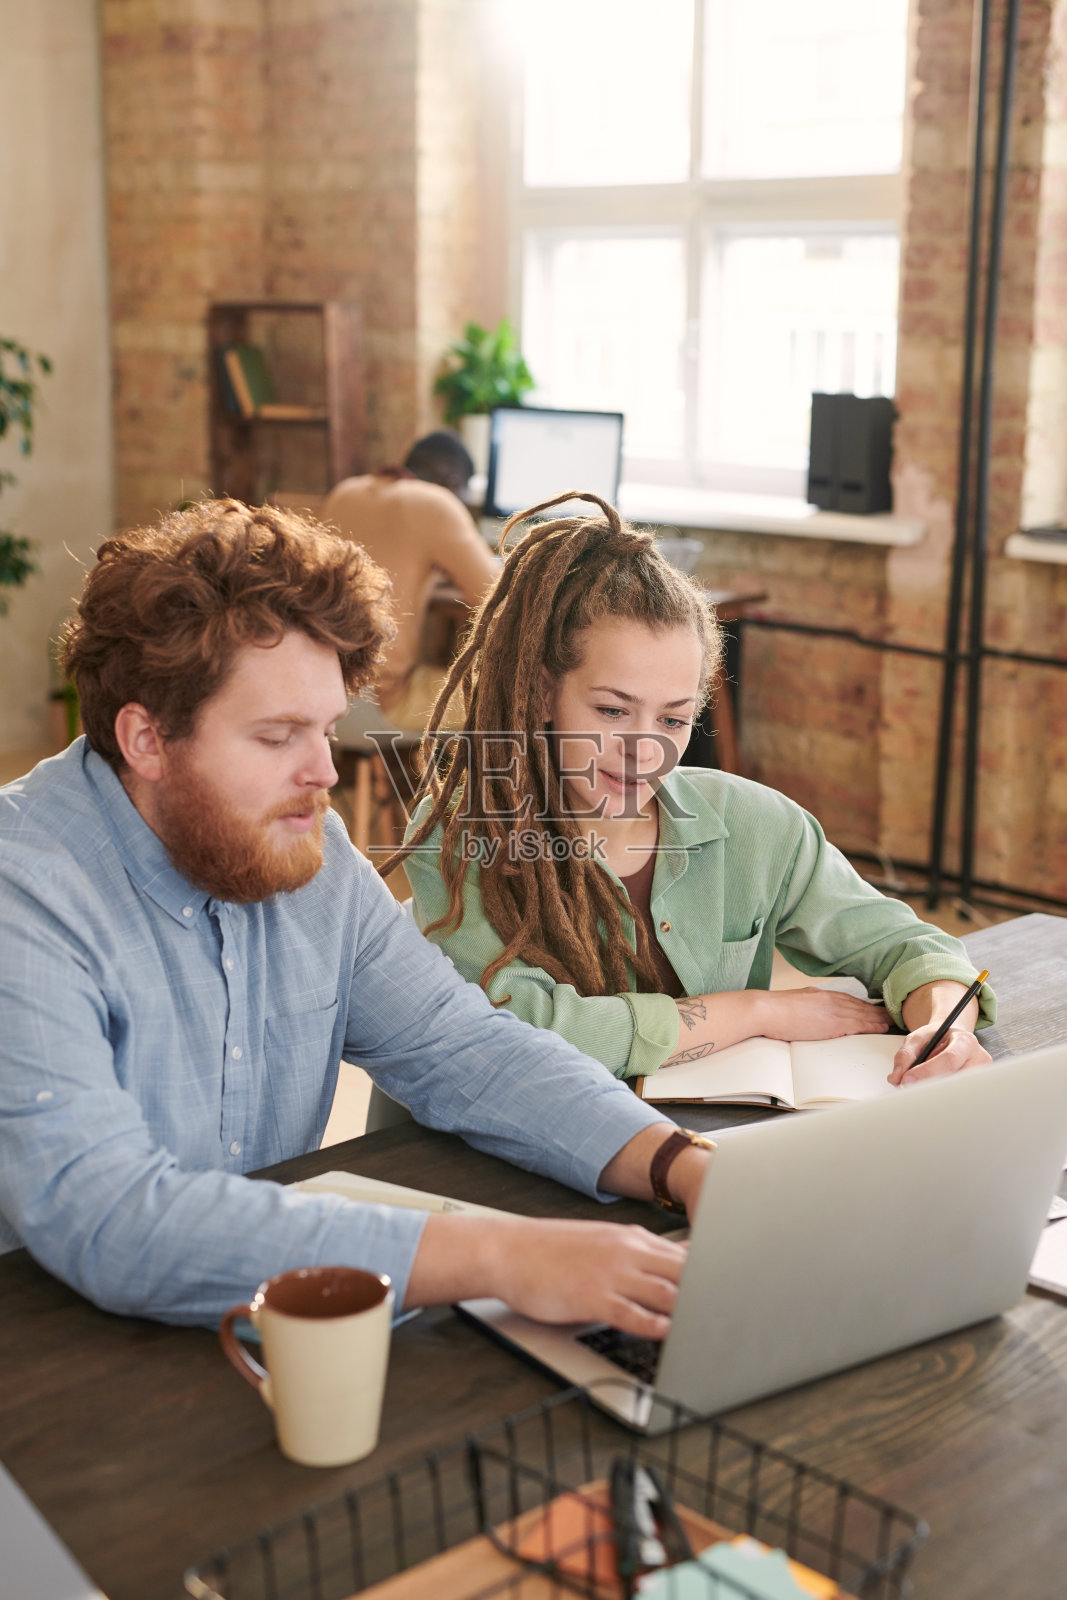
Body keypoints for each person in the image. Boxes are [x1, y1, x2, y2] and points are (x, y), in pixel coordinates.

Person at [0, 498, 709, 1332]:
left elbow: (459, 1046)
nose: (323, 774)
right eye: (277, 737)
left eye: (329, 730)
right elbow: (114, 1221)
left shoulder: (312, 851)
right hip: (48, 1356)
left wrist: (682, 1167)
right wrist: (498, 1256)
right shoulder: (24, 894)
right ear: (146, 739)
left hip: (270, 1328)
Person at [391, 492, 996, 1085]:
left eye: (673, 720)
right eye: (611, 710)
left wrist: (947, 1025)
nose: (642, 749)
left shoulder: (757, 824)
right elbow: (523, 1032)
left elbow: (909, 947)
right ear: (544, 693)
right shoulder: (458, 836)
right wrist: (758, 1010)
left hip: (710, 1148)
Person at [322, 430, 500, 729]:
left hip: (328, 692)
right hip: (385, 703)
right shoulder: (437, 504)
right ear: (454, 483)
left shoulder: (344, 493)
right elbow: (500, 595)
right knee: (526, 695)